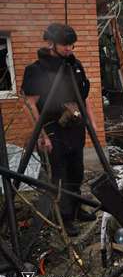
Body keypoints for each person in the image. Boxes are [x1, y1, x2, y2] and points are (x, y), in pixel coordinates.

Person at [22, 23, 98, 237]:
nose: (69, 49)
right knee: (60, 175)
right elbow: (29, 104)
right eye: (65, 45)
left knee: (77, 170)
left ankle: (76, 209)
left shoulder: (74, 65)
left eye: (72, 45)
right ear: (51, 43)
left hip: (75, 125)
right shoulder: (35, 70)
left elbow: (83, 98)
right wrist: (41, 135)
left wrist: (92, 122)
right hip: (52, 127)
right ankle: (64, 217)